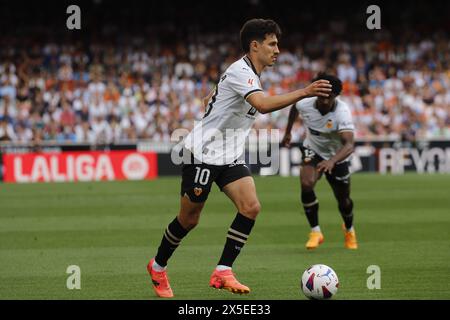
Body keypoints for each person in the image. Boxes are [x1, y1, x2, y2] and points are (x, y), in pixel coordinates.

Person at [147, 18, 332, 298]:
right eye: (272, 43)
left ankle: (223, 271)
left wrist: (214, 98)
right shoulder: (240, 72)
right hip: (202, 154)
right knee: (189, 219)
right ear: (254, 45)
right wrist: (304, 91)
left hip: (229, 156)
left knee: (251, 206)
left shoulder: (246, 73)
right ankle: (158, 266)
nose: (277, 50)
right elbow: (261, 104)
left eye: (277, 44)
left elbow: (215, 95)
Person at [281, 73, 358, 251]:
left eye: (328, 97)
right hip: (313, 150)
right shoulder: (305, 103)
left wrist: (331, 161)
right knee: (306, 183)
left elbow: (349, 145)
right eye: (321, 96)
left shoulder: (342, 112)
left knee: (344, 200)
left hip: (337, 156)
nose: (324, 100)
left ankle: (349, 229)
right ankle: (315, 232)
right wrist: (288, 132)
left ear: (336, 96)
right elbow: (294, 108)